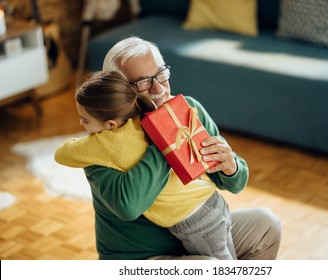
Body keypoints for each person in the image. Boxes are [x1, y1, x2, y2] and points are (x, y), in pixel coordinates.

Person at [69, 36, 281, 260]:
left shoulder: (189, 109)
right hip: (141, 257)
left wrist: (232, 168)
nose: (159, 88)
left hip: (195, 236)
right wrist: (165, 136)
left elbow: (233, 183)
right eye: (143, 82)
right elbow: (128, 207)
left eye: (161, 74)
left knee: (266, 226)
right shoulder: (101, 142)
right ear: (120, 90)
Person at [55, 70, 238, 259]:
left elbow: (61, 154)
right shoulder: (147, 120)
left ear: (111, 125)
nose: (81, 123)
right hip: (212, 201)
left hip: (196, 222)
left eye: (85, 120)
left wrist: (91, 139)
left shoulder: (104, 143)